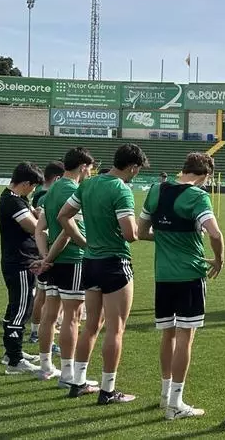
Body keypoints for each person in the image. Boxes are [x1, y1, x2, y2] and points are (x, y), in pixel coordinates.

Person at [137, 152, 224, 421]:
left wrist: (166, 237)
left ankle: (166, 395)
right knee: (186, 336)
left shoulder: (156, 190)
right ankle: (175, 403)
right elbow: (215, 233)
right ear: (205, 175)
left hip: (163, 275)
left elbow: (141, 232)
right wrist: (219, 259)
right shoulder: (197, 196)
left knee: (168, 335)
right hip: (189, 275)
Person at [56, 144, 147, 404]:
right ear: (133, 167)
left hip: (90, 262)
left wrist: (83, 241)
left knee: (91, 326)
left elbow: (64, 215)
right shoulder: (121, 189)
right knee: (115, 329)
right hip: (115, 262)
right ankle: (108, 390)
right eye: (138, 169)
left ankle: (78, 382)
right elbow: (130, 234)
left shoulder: (89, 184)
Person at [35, 152, 93, 387]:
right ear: (82, 167)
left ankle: (46, 365)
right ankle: (68, 375)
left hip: (53, 261)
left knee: (50, 314)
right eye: (90, 168)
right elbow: (68, 232)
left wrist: (44, 257)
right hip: (72, 259)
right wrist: (88, 246)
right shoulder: (73, 191)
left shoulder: (52, 189)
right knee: (72, 316)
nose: (90, 172)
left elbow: (40, 228)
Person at [0, 162, 45, 375]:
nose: (33, 190)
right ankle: (15, 361)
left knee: (15, 308)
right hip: (21, 262)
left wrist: (36, 213)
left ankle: (11, 353)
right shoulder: (12, 202)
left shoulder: (15, 198)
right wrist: (41, 218)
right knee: (21, 311)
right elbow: (34, 227)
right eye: (33, 186)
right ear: (26, 183)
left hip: (18, 260)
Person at [29, 162, 64, 348]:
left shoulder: (39, 194)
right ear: (58, 178)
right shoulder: (49, 196)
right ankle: (43, 334)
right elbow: (42, 225)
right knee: (49, 296)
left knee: (42, 293)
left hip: (41, 247)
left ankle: (36, 331)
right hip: (49, 250)